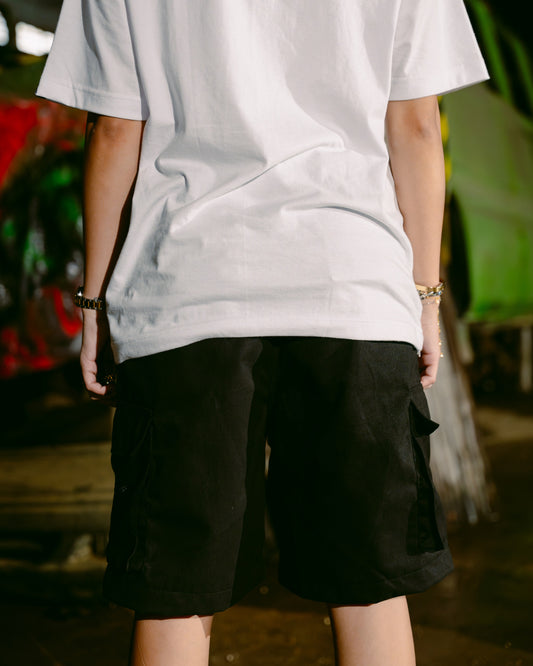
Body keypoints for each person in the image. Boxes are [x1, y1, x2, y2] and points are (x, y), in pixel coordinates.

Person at [37, 1, 488, 663]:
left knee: (174, 589)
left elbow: (113, 129)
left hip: (189, 284)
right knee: (367, 585)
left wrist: (95, 303)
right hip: (350, 281)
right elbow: (416, 125)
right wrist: (423, 296)